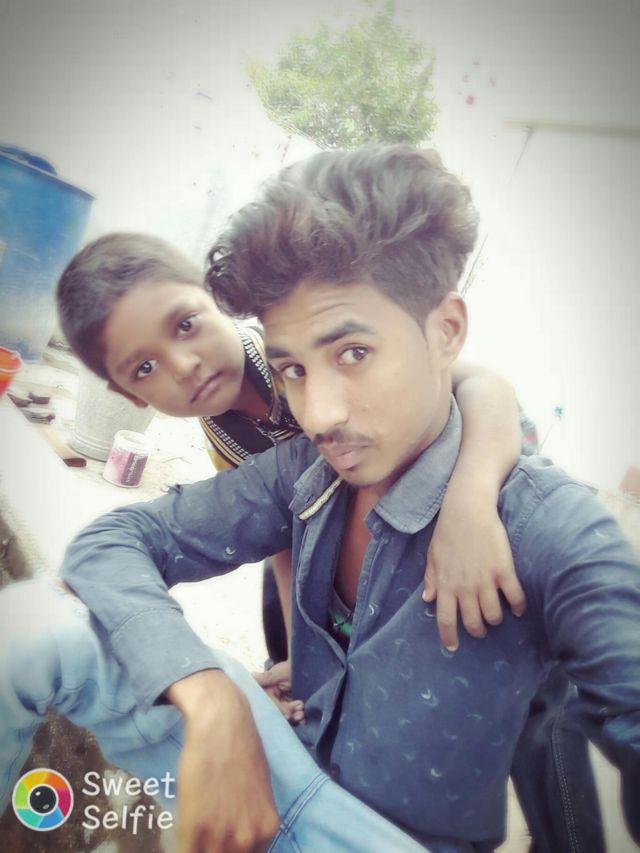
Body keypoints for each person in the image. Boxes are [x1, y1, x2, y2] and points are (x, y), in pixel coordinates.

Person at [2, 145, 634, 850]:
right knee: (32, 629)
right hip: (298, 754)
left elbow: (483, 387)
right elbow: (240, 535)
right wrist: (215, 687)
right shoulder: (279, 454)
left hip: (405, 809)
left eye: (353, 353)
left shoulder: (547, 529)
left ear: (446, 330)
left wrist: (472, 495)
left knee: (547, 734)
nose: (320, 413)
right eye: (294, 370)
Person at [56, 230, 529, 660]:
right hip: (337, 531)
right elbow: (280, 534)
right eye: (144, 368)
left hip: (458, 488)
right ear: (128, 395)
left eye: (185, 325)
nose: (183, 366)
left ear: (214, 296)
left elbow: (485, 384)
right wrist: (298, 657)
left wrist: (470, 505)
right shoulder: (222, 438)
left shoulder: (292, 346)